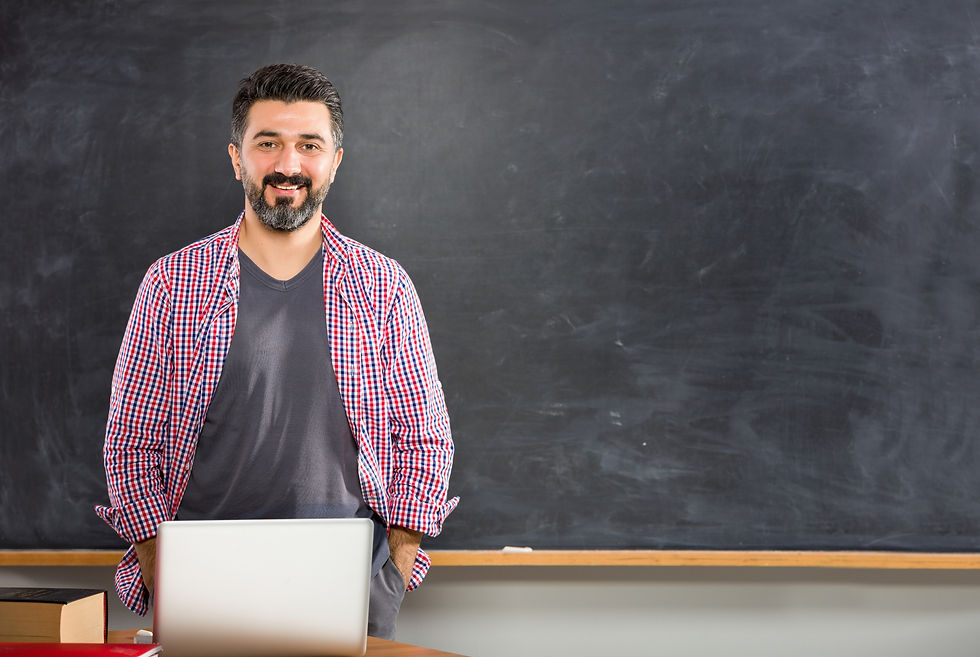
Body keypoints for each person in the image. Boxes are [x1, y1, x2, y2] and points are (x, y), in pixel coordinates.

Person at [95, 63, 457, 639]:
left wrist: (393, 569)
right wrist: (164, 573)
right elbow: (131, 444)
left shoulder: (383, 285)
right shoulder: (172, 283)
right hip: (203, 587)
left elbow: (425, 439)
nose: (288, 165)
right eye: (268, 143)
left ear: (335, 161)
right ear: (237, 156)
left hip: (347, 586)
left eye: (308, 145)